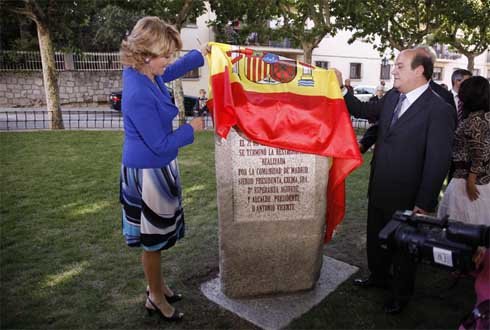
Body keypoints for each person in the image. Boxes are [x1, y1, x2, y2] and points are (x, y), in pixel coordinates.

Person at [334, 47, 455, 314]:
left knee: (403, 249)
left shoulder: (439, 108)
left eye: (400, 66)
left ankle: (400, 295)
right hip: (380, 186)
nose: (394, 70)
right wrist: (342, 90)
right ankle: (377, 277)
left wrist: (424, 203)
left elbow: (438, 161)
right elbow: (366, 110)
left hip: (408, 196)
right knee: (376, 237)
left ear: (419, 70)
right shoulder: (392, 97)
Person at [119, 16, 208, 322]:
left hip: (157, 165)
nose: (169, 61)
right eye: (165, 55)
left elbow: (167, 72)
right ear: (146, 55)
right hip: (148, 171)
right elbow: (159, 143)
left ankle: (158, 286)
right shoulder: (138, 92)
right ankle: (154, 297)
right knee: (153, 242)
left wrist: (201, 55)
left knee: (157, 238)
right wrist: (192, 128)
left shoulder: (145, 72)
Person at [437, 76, 490, 226]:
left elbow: (479, 152)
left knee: (463, 228)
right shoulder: (484, 116)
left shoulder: (475, 120)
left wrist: (471, 181)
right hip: (481, 180)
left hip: (467, 182)